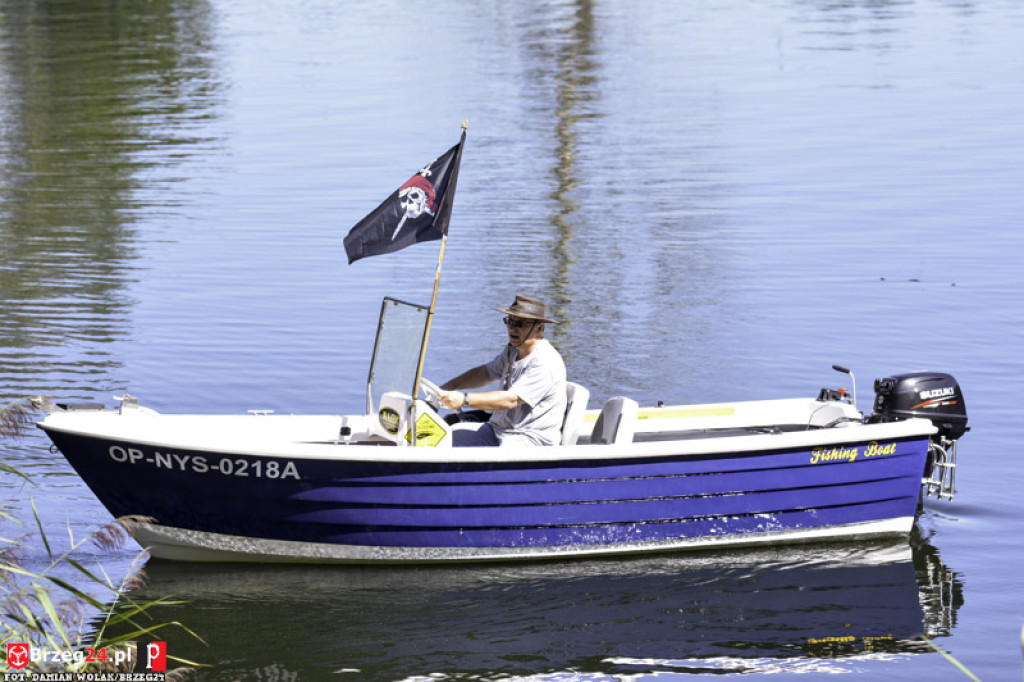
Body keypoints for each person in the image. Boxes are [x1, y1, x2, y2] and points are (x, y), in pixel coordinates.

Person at [437, 295, 567, 447]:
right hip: (498, 430)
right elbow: (486, 373)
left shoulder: (545, 362)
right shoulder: (512, 350)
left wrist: (464, 400)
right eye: (510, 321)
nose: (513, 328)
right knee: (444, 437)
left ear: (540, 328)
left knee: (498, 450)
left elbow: (510, 400)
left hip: (530, 439)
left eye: (521, 324)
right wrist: (448, 387)